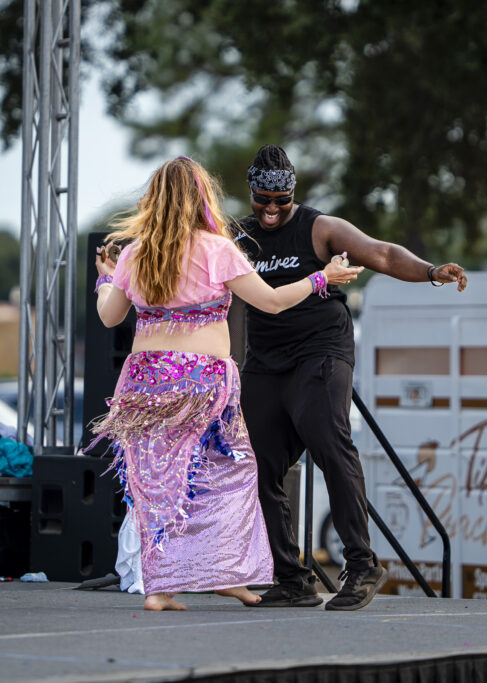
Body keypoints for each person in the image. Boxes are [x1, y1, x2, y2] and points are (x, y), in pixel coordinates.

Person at [91, 156, 363, 611]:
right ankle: (227, 573)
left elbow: (109, 316)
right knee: (230, 473)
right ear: (202, 198)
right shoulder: (216, 248)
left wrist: (105, 279)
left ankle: (161, 589)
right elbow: (273, 302)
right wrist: (323, 277)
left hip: (144, 380)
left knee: (157, 481)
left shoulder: (136, 253)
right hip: (201, 379)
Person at [234, 144, 468, 611]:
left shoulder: (319, 228)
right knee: (255, 463)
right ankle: (291, 577)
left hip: (320, 350)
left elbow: (380, 253)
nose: (273, 211)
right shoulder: (239, 236)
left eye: (282, 201)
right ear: (253, 193)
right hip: (265, 359)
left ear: (293, 194)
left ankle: (361, 565)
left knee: (327, 441)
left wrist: (430, 272)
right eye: (264, 200)